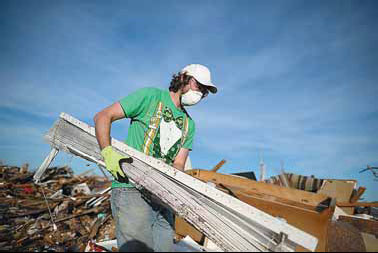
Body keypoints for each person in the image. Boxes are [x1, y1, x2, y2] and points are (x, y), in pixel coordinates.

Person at [94, 64, 217, 252]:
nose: (200, 94)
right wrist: (107, 152)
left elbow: (178, 164)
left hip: (163, 198)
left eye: (204, 92)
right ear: (184, 78)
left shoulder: (189, 124)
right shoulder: (150, 97)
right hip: (132, 190)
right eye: (198, 86)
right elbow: (103, 116)